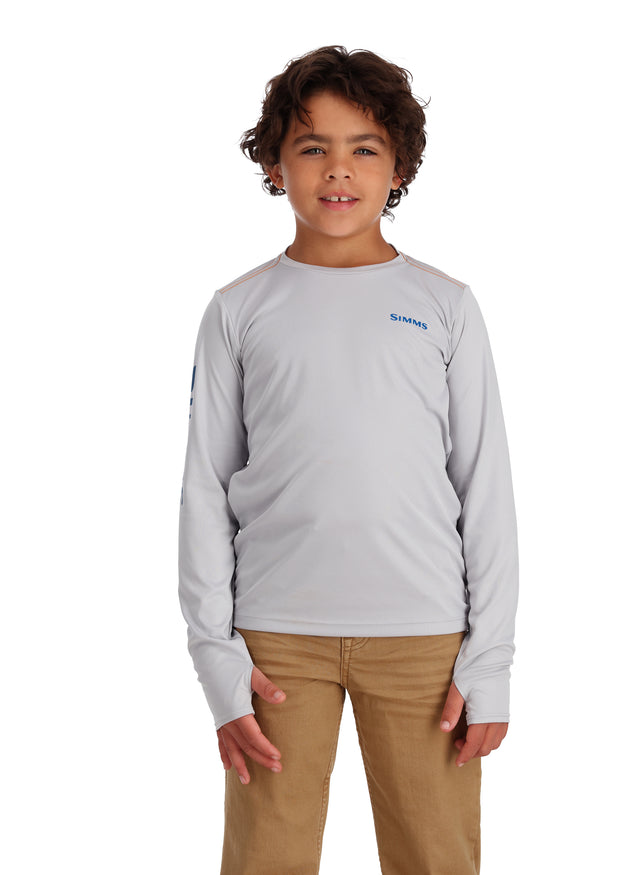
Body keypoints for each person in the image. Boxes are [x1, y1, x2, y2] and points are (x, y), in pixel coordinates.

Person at [178, 44, 519, 875]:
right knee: (266, 858)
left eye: (364, 148)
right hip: (274, 643)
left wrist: (490, 659)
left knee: (435, 856)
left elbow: (486, 487)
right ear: (275, 165)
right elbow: (205, 490)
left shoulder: (446, 306)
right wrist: (217, 657)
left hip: (425, 639)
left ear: (398, 168)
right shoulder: (237, 310)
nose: (338, 169)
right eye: (312, 146)